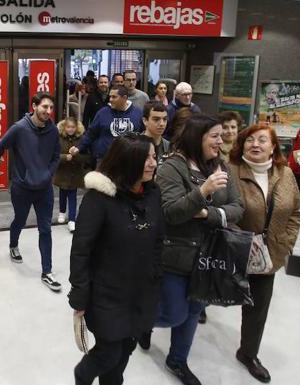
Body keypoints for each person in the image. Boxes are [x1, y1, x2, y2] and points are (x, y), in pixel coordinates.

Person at [152, 114, 244, 385]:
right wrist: (202, 190)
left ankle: (177, 360)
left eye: (221, 135)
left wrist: (207, 214)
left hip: (209, 257)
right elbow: (170, 212)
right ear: (196, 137)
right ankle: (141, 324)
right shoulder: (171, 167)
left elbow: (238, 208)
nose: (221, 140)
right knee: (174, 313)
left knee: (194, 311)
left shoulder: (220, 166)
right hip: (176, 256)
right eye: (214, 136)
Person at [69, 134, 162, 385]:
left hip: (140, 291)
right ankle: (83, 375)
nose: (153, 163)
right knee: (108, 353)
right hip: (106, 295)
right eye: (146, 158)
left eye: (154, 157)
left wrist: (155, 276)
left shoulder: (153, 194)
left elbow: (157, 241)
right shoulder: (99, 199)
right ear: (128, 161)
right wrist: (79, 293)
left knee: (126, 350)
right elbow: (81, 250)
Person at [229, 124, 300, 383]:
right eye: (250, 140)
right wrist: (238, 239)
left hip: (268, 256)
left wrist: (286, 243)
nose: (255, 144)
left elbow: (295, 212)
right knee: (207, 294)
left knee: (258, 308)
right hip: (234, 250)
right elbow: (221, 207)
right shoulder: (231, 170)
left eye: (262, 140)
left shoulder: (285, 174)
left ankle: (248, 353)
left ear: (274, 146)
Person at [0, 92, 61, 292]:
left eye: (51, 108)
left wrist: (48, 174)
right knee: (20, 219)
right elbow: (0, 147)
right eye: (44, 107)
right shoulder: (20, 128)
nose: (48, 111)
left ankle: (47, 271)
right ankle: (13, 244)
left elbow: (55, 156)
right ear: (34, 106)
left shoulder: (53, 131)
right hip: (22, 188)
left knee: (45, 228)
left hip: (44, 189)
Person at [69, 85, 142, 166]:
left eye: (114, 97)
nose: (110, 99)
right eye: (110, 96)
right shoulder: (102, 113)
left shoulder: (137, 114)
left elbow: (142, 136)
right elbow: (91, 133)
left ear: (124, 98)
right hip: (104, 159)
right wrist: (79, 147)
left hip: (128, 160)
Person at [54, 117, 90, 232]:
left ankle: (72, 220)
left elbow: (87, 156)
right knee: (63, 193)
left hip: (75, 173)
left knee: (72, 195)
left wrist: (76, 156)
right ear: (64, 127)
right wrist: (65, 157)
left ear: (77, 128)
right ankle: (62, 212)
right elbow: (54, 155)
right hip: (62, 172)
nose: (70, 129)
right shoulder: (58, 138)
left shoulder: (81, 139)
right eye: (68, 127)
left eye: (73, 127)